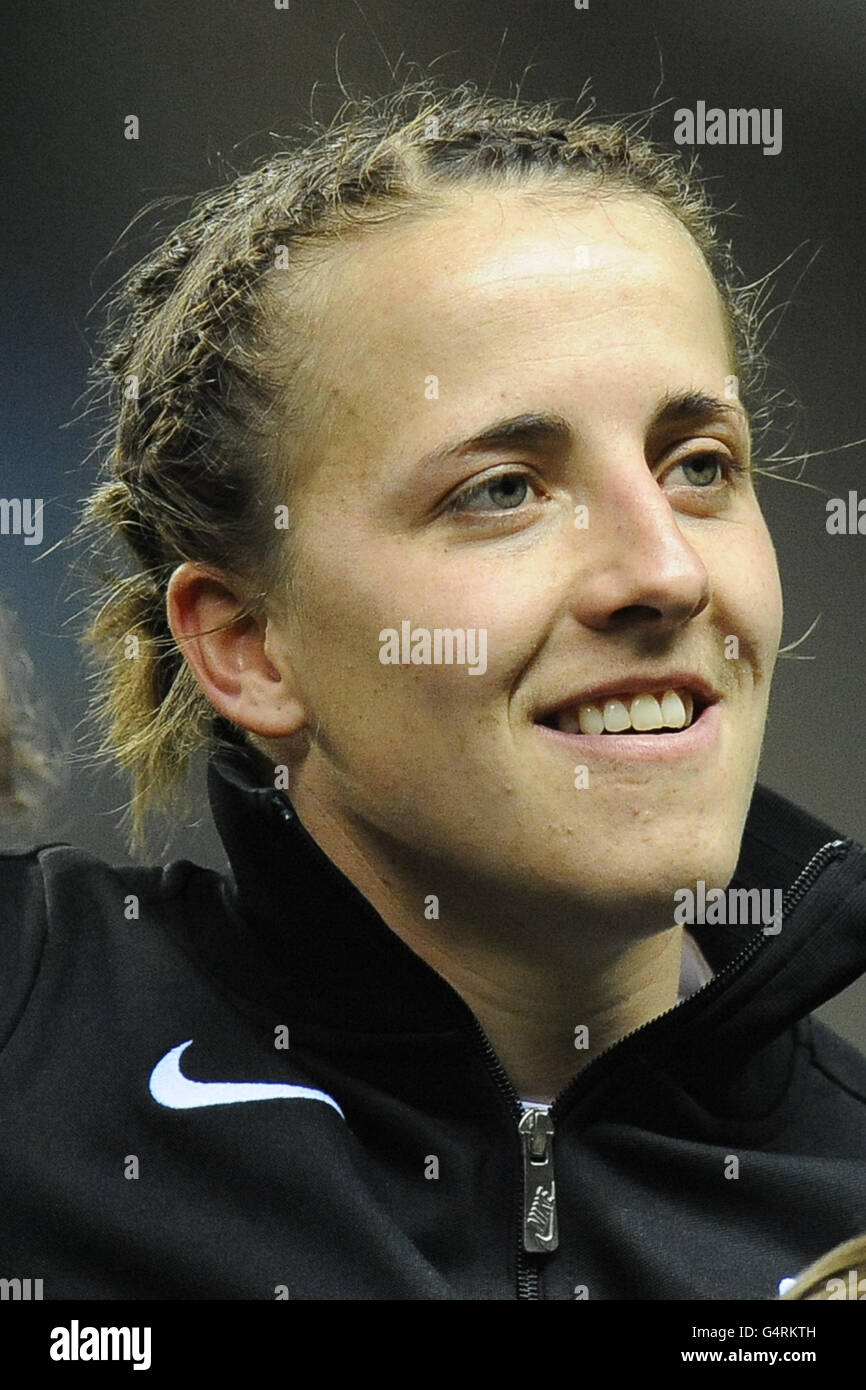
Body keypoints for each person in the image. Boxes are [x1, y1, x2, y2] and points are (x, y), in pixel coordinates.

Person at [2, 81, 865, 1302]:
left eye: (697, 466)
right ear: (248, 644)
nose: (663, 572)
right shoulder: (34, 1038)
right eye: (502, 488)